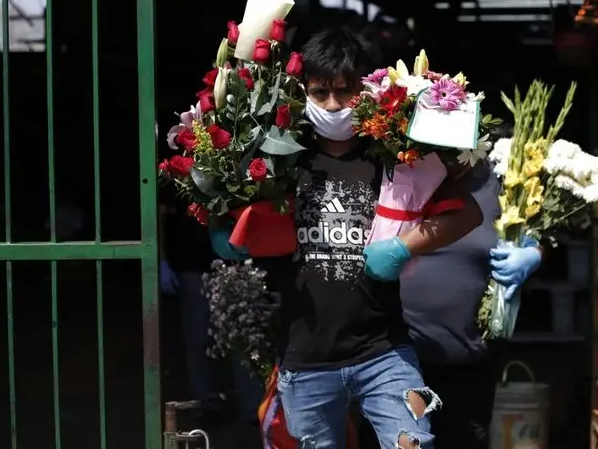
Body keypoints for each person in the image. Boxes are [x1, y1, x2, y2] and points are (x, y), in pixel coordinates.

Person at [214, 27, 484, 449]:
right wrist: (224, 230)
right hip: (304, 362)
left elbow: (468, 213)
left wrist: (404, 246)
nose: (334, 105)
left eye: (346, 91)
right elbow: (235, 209)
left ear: (368, 88)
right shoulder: (280, 159)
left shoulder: (396, 157)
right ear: (301, 91)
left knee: (413, 443)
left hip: (387, 354)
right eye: (320, 93)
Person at [357, 140, 546, 449]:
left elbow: (534, 234)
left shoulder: (500, 183)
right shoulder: (402, 174)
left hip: (467, 364)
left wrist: (534, 255)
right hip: (395, 360)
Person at [159, 199, 262, 429]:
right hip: (192, 263)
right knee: (198, 337)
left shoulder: (238, 166)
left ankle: (251, 406)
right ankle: (207, 403)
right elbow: (160, 214)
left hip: (235, 260)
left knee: (243, 338)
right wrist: (162, 260)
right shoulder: (177, 169)